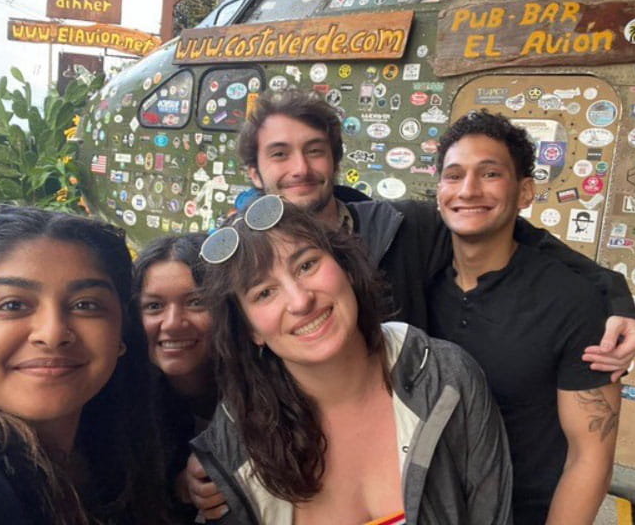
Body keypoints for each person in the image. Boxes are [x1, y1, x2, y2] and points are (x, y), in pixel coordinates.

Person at [237, 88, 635, 380]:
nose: (300, 168)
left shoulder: (402, 227)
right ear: (254, 172)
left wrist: (614, 294)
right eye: (279, 154)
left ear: (334, 161)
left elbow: (517, 235)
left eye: (314, 150)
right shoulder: (234, 263)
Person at [192, 196, 513, 524]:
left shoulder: (446, 378)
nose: (300, 301)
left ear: (344, 265)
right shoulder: (238, 434)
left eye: (307, 265)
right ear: (249, 330)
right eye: (264, 293)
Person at [0, 206, 167, 524]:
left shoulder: (117, 443)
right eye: (13, 305)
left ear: (121, 333)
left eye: (86, 305)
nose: (52, 334)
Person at [428, 112, 621, 524]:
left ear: (525, 192)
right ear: (439, 189)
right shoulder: (417, 278)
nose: (468, 189)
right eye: (454, 175)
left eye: (490, 173)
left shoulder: (571, 300)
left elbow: (591, 456)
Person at [133, 234, 219, 520]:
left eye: (196, 302)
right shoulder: (124, 408)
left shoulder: (271, 393)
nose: (172, 324)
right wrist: (177, 486)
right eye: (154, 306)